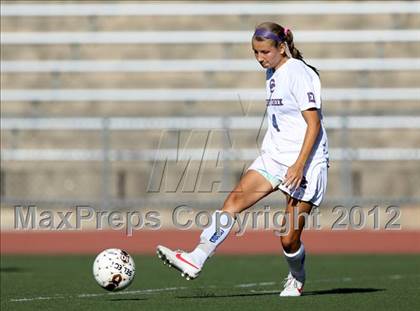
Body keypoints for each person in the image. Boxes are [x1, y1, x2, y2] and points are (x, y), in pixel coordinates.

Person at [156, 22, 329, 297]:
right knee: (234, 201)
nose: (260, 58)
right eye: (255, 53)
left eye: (264, 52)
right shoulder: (272, 71)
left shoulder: (298, 72)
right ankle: (196, 257)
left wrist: (298, 165)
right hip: (274, 157)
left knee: (288, 238)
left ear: (281, 48)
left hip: (305, 162)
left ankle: (297, 277)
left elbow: (314, 125)